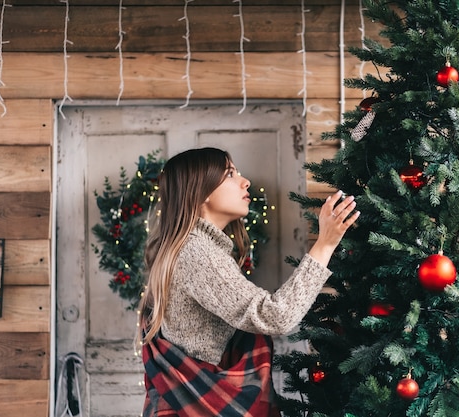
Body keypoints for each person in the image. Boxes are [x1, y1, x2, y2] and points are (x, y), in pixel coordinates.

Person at [138, 147, 359, 417]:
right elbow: (276, 316)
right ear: (201, 192)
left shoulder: (193, 248)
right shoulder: (198, 254)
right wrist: (324, 245)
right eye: (230, 174)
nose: (245, 181)